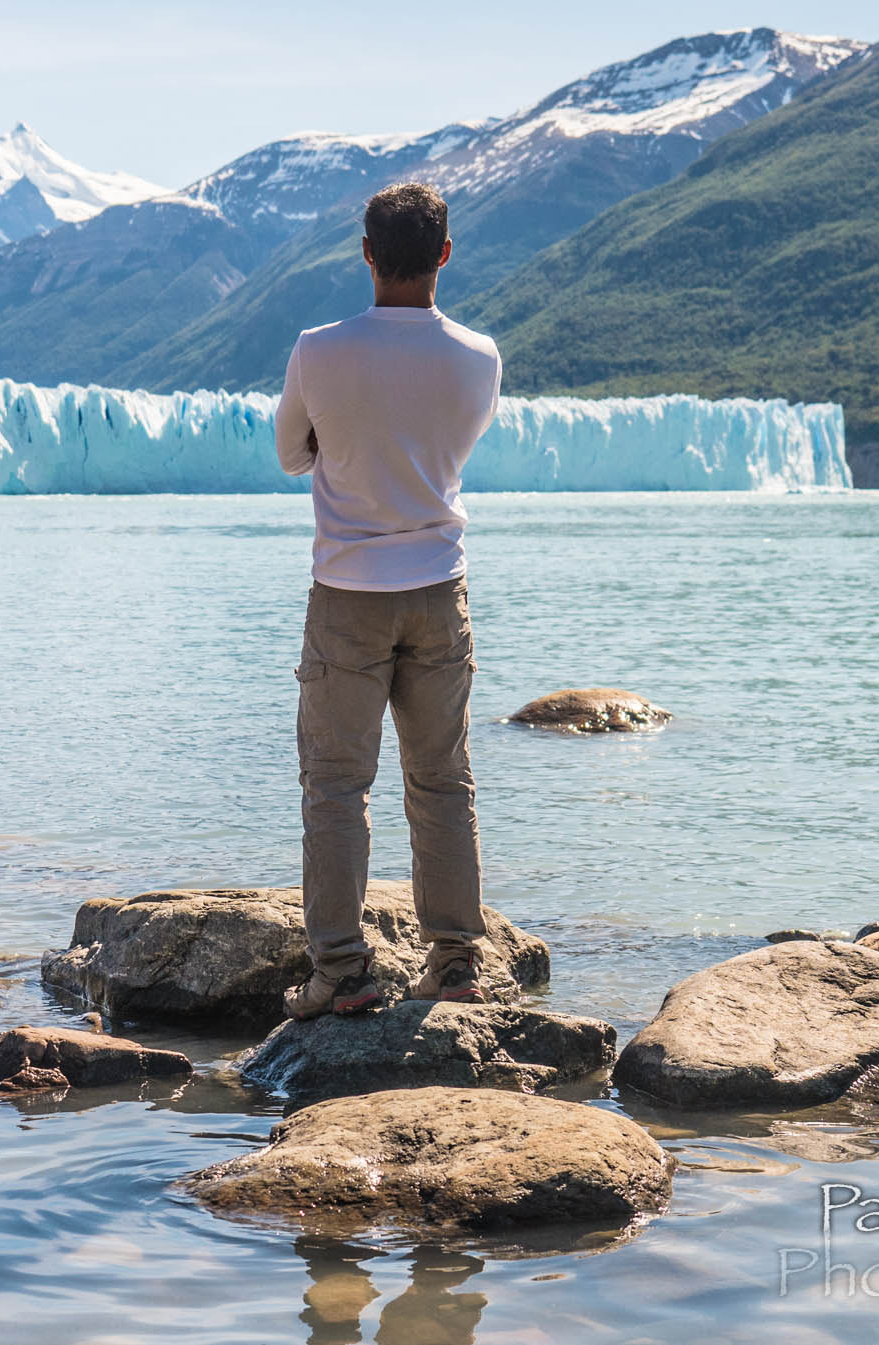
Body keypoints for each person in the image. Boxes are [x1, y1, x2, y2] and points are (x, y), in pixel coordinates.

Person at [273, 181, 502, 1021]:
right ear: (445, 253)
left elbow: (292, 454)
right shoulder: (479, 356)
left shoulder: (318, 350)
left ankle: (341, 970)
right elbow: (452, 444)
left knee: (337, 787)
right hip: (441, 591)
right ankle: (455, 962)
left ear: (365, 254)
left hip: (347, 594)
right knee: (442, 780)